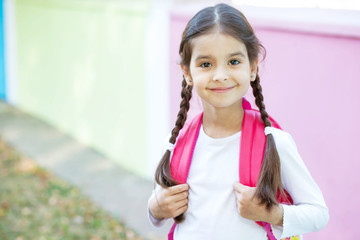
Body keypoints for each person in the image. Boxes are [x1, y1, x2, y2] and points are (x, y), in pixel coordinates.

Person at [148, 3, 329, 240]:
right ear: (187, 73)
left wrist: (272, 213)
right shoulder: (176, 144)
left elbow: (318, 214)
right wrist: (155, 209)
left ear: (253, 67)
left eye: (233, 62)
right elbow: (159, 211)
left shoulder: (274, 143)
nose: (220, 75)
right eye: (205, 64)